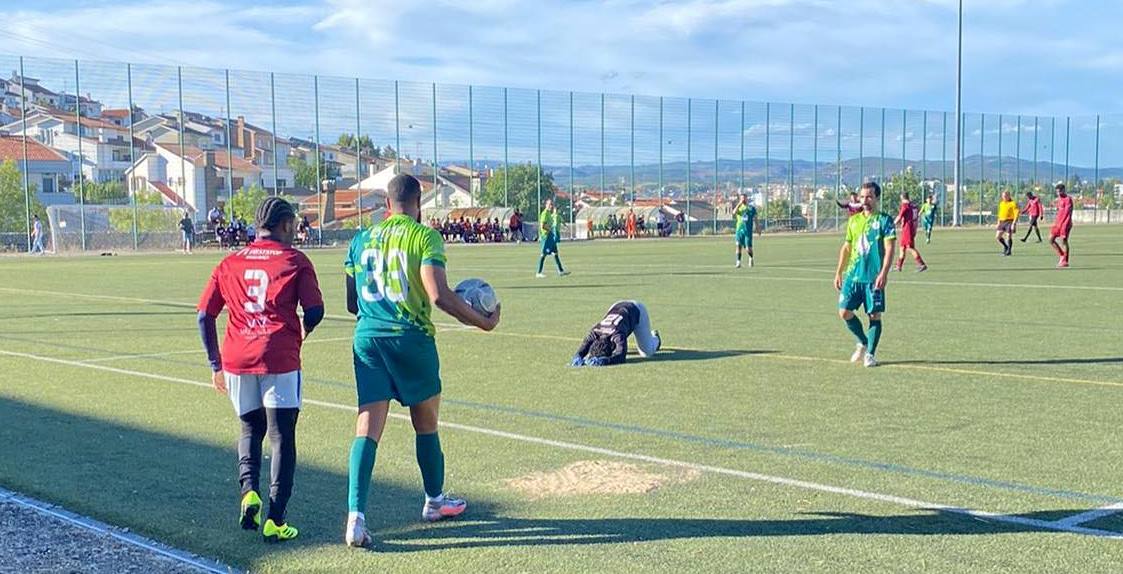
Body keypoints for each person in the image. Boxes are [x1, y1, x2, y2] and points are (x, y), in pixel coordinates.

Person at [343, 174, 500, 548]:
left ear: (387, 205)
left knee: (367, 428)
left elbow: (352, 302)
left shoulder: (360, 240)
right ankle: (433, 501)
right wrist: (483, 322)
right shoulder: (425, 236)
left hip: (368, 339)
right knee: (425, 423)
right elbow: (439, 296)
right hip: (410, 339)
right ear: (418, 204)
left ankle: (355, 518)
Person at [197, 197, 324, 544]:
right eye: (293, 225)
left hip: (237, 358)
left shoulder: (230, 262)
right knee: (282, 436)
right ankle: (275, 520)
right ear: (285, 225)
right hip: (278, 356)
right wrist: (302, 333)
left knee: (250, 428)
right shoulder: (295, 260)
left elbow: (204, 315)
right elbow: (314, 311)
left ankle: (249, 492)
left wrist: (215, 364)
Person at [834, 181, 896, 368]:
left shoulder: (885, 221)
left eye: (869, 196)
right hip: (853, 276)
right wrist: (839, 272)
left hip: (873, 278)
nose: (865, 200)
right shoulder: (854, 221)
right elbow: (847, 247)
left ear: (877, 198)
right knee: (844, 312)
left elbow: (890, 248)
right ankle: (863, 341)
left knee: (874, 315)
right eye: (862, 196)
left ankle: (870, 354)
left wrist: (884, 273)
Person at [570, 300, 662, 366]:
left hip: (637, 309)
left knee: (647, 352)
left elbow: (621, 357)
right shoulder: (594, 333)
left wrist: (606, 361)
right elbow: (582, 349)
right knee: (622, 344)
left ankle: (655, 338)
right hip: (616, 306)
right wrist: (578, 357)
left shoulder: (618, 335)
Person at [892, 193, 927, 272]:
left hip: (907, 229)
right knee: (902, 247)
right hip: (910, 228)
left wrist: (892, 224)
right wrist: (915, 228)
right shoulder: (913, 206)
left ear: (902, 198)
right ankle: (898, 266)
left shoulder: (905, 206)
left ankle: (921, 264)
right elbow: (916, 218)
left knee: (909, 247)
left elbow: (899, 216)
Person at [536, 198, 570, 278]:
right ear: (546, 205)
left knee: (555, 253)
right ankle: (538, 272)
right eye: (549, 204)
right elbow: (543, 226)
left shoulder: (549, 214)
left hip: (550, 236)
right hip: (546, 236)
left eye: (552, 204)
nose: (551, 206)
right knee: (543, 254)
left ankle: (561, 271)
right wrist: (550, 230)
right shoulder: (544, 213)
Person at [1049, 183, 1073, 268]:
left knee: (1064, 241)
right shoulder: (1059, 199)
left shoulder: (1068, 199)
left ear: (1063, 190)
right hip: (1058, 223)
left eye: (1059, 191)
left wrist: (1062, 223)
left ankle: (1065, 261)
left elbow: (1067, 213)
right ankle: (1062, 255)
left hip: (1065, 223)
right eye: (1057, 192)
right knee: (1051, 240)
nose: (1058, 193)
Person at [733, 194, 757, 269]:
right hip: (739, 229)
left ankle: (751, 258)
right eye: (742, 198)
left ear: (747, 199)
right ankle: (738, 262)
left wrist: (758, 227)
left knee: (748, 248)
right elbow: (734, 212)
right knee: (738, 245)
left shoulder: (751, 208)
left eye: (744, 198)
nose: (743, 199)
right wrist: (739, 204)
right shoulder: (739, 208)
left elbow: (755, 218)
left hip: (748, 230)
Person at [996, 191, 1019, 256]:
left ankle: (1009, 251)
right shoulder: (1001, 203)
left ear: (1009, 196)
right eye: (1003, 196)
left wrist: (1014, 223)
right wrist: (998, 222)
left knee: (1008, 236)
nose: (1004, 197)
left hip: (1009, 221)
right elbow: (1000, 213)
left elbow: (1016, 213)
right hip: (1002, 221)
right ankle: (1006, 247)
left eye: (1005, 196)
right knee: (998, 237)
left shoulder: (1013, 203)